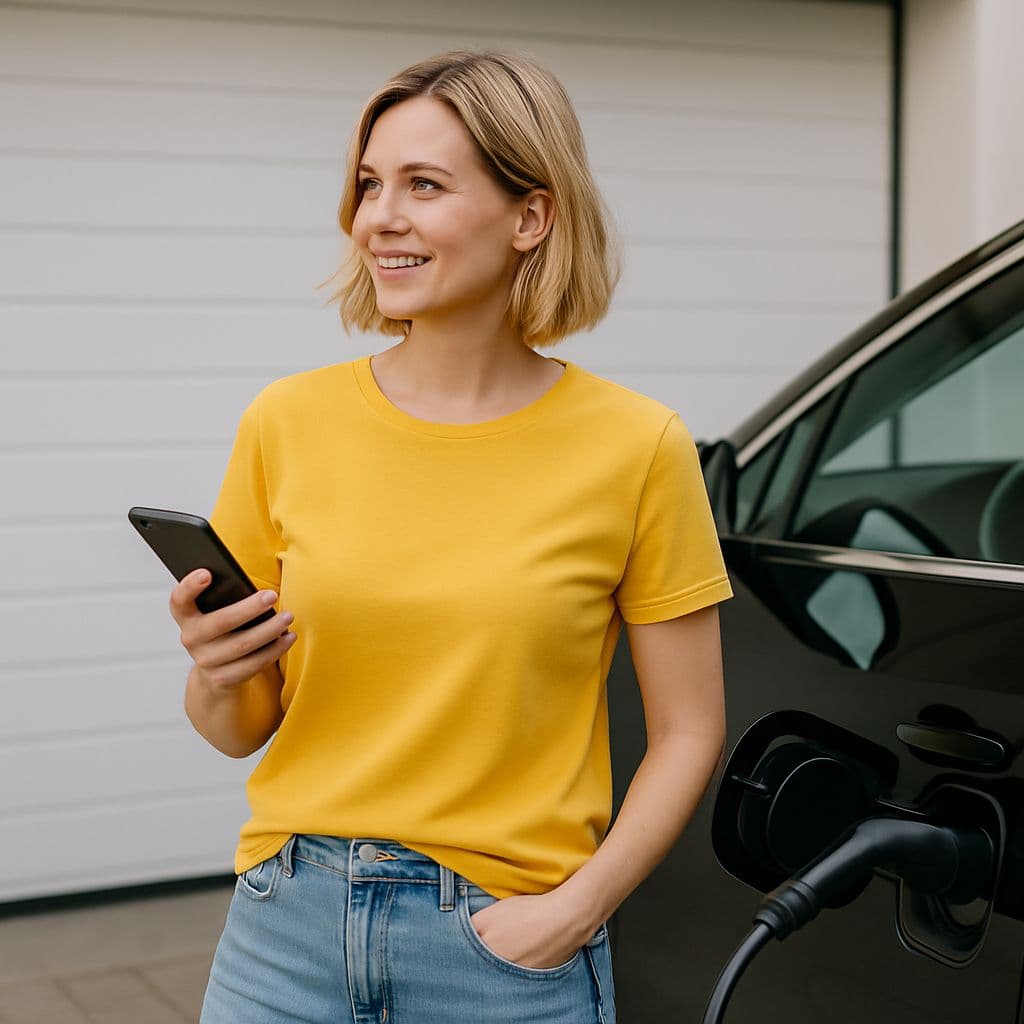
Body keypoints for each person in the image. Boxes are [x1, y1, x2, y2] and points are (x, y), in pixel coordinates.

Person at [171, 49, 733, 1024]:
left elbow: (688, 730)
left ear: (531, 216)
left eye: (423, 185)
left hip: (501, 952)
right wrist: (215, 671)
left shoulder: (636, 445)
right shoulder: (286, 422)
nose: (378, 217)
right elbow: (237, 730)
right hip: (282, 932)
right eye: (368, 184)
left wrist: (576, 909)